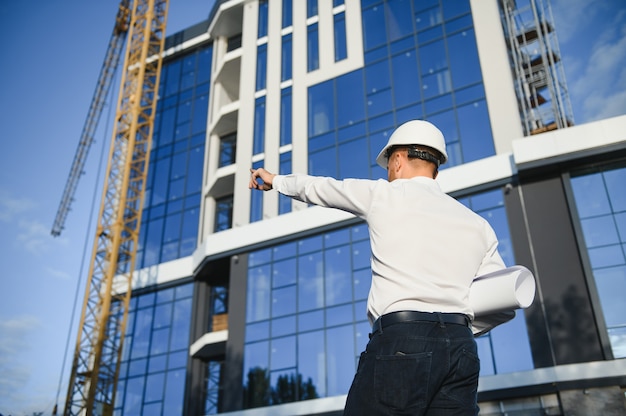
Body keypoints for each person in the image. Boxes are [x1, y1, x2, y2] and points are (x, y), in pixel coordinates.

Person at [249, 120, 506, 415]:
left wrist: (274, 180)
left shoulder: (383, 195)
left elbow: (320, 187)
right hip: (462, 347)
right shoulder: (477, 223)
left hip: (402, 341)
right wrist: (455, 326)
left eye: (388, 165)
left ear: (397, 160)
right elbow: (503, 301)